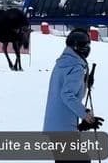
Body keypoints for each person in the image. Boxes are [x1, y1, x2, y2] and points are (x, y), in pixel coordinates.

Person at [43, 28, 103, 163]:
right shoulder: (76, 66)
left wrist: (85, 83)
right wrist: (85, 115)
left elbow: (62, 96)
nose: (87, 48)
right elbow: (67, 95)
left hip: (55, 127)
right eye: (84, 45)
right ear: (76, 47)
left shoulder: (62, 64)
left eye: (88, 45)